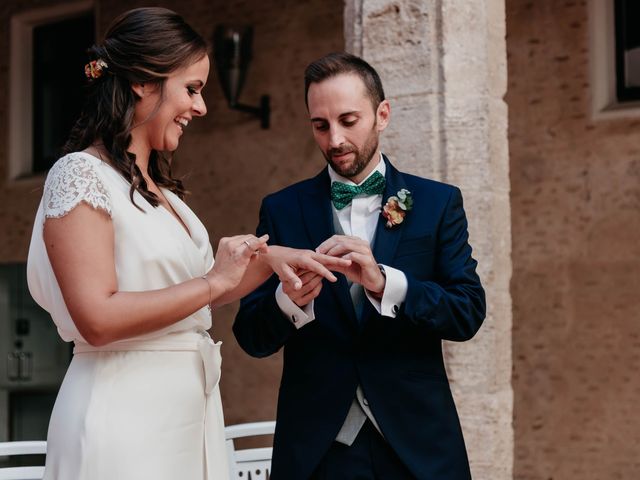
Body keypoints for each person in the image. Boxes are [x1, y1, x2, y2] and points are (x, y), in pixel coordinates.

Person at [26, 9, 346, 480]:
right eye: (192, 89)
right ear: (142, 82)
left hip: (187, 415)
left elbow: (202, 288)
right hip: (123, 417)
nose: (201, 107)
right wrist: (214, 282)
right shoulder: (79, 174)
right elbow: (96, 318)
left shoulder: (159, 190)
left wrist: (281, 259)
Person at [233, 52, 486, 479]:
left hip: (418, 448)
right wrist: (287, 302)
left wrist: (388, 284)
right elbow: (251, 335)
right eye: (320, 125)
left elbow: (467, 313)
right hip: (318, 451)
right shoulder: (281, 210)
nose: (334, 140)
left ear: (382, 114)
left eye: (348, 121)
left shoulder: (438, 203)